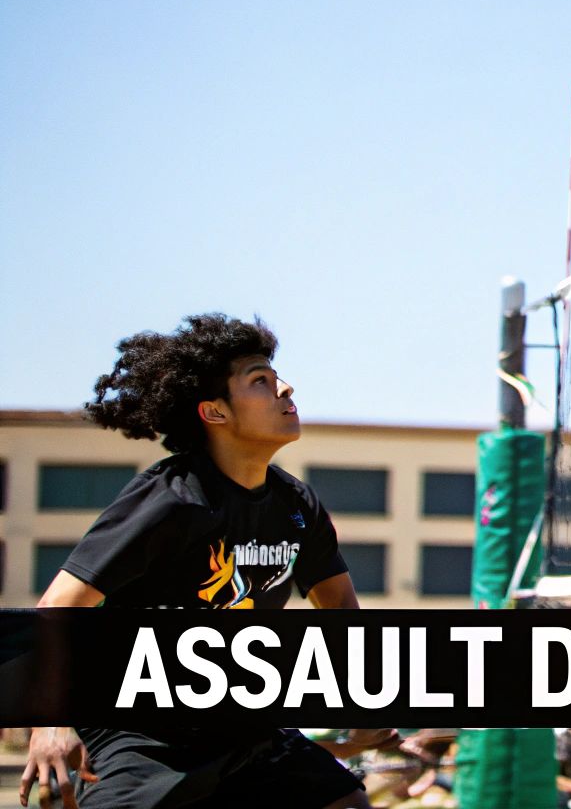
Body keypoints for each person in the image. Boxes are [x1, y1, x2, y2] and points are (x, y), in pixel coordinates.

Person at [18, 314, 397, 809]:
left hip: (241, 719)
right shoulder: (171, 501)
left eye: (276, 376)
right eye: (261, 380)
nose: (286, 388)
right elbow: (58, 605)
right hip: (144, 727)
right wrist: (49, 724)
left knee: (345, 801)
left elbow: (340, 606)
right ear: (215, 413)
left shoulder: (295, 503)